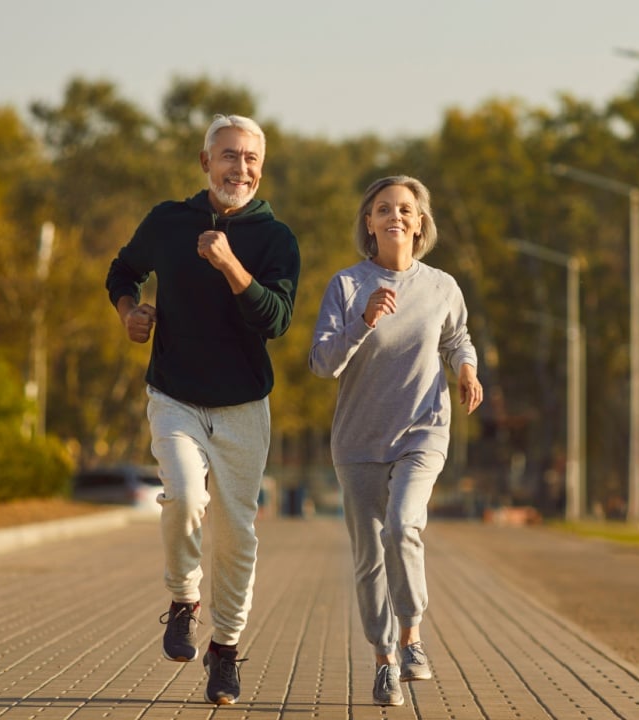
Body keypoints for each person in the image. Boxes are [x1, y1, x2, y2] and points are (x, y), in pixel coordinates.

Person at [105, 113, 300, 706]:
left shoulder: (276, 240)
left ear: (260, 169)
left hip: (243, 405)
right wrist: (128, 312)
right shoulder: (168, 221)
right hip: (175, 393)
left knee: (237, 535)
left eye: (250, 159)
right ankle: (183, 599)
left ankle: (225, 650)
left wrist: (229, 265)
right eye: (228, 155)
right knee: (187, 497)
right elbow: (123, 270)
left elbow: (276, 321)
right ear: (204, 162)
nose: (239, 168)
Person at [308, 175, 483, 707]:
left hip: (423, 429)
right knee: (369, 557)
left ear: (420, 222)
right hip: (358, 441)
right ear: (369, 223)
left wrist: (467, 370)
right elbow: (322, 364)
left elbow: (457, 338)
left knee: (404, 526)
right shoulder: (346, 286)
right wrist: (362, 321)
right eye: (384, 209)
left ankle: (411, 636)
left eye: (406, 209)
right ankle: (384, 660)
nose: (396, 216)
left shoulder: (441, 286)